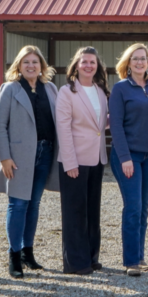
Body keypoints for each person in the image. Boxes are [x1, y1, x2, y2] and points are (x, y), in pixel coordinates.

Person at [0, 46, 60, 278]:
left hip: (45, 152)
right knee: (18, 204)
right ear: (19, 66)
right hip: (18, 158)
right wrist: (5, 158)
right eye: (26, 62)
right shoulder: (9, 89)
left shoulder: (50, 89)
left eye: (35, 62)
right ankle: (13, 256)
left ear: (42, 65)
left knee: (34, 204)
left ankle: (27, 253)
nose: (31, 66)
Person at [109, 43, 148, 277]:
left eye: (143, 58)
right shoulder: (121, 89)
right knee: (132, 207)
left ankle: (140, 256)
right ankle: (131, 260)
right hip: (128, 156)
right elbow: (115, 126)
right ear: (128, 63)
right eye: (135, 59)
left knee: (143, 208)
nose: (140, 62)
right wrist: (125, 156)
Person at [56, 47, 111, 275]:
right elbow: (64, 128)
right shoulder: (67, 92)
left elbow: (100, 125)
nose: (89, 65)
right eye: (84, 62)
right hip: (74, 160)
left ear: (97, 66)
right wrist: (70, 162)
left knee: (92, 210)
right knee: (75, 211)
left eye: (92, 62)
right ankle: (75, 263)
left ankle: (91, 256)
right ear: (76, 65)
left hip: (96, 158)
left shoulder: (100, 91)